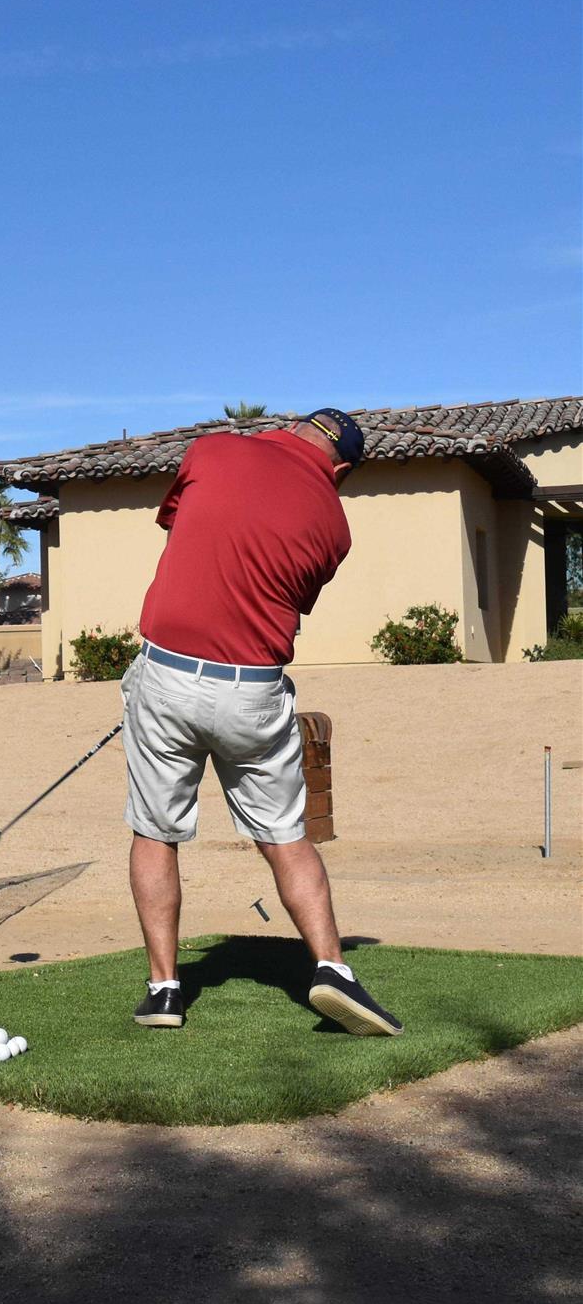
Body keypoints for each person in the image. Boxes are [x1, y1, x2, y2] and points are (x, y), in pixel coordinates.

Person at [121, 408, 402, 1036]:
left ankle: (165, 991)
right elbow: (289, 594)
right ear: (342, 469)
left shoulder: (212, 450)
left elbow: (179, 528)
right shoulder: (335, 526)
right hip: (254, 688)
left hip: (165, 673)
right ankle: (333, 969)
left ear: (294, 429)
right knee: (284, 836)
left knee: (155, 830)